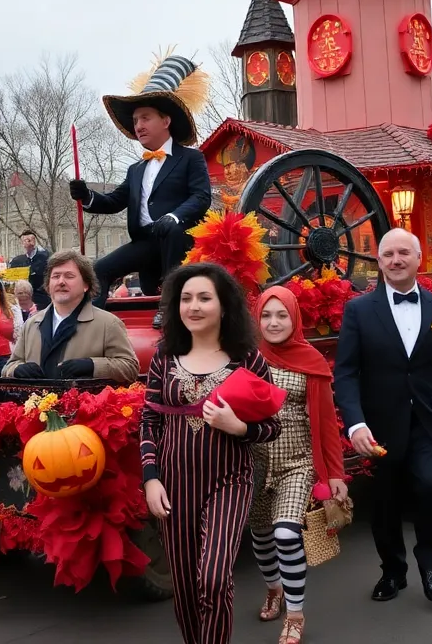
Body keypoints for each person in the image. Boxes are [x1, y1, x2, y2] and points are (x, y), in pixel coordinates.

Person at [140, 262, 280, 644]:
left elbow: (273, 425)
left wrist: (240, 428)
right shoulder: (163, 360)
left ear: (223, 306)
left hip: (229, 481)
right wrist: (151, 480)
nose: (194, 307)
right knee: (185, 589)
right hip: (173, 485)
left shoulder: (247, 360)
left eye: (204, 298)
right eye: (186, 299)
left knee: (214, 579)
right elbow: (149, 421)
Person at [332, 228, 432, 604]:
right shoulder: (358, 310)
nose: (396, 260)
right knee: (385, 501)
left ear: (419, 258)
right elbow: (346, 372)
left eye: (404, 252)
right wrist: (356, 423)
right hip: (380, 424)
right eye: (388, 254)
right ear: (379, 261)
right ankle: (392, 572)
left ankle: (431, 565)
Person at [69, 54, 213, 325]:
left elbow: (201, 197)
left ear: (166, 121)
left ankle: (169, 309)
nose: (138, 126)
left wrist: (174, 217)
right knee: (100, 269)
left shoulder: (190, 158)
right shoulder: (136, 168)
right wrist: (86, 195)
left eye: (145, 118)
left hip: (180, 239)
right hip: (146, 242)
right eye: (135, 121)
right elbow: (114, 201)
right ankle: (90, 323)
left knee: (170, 229)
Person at [250, 286, 347, 644]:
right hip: (255, 464)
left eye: (282, 315)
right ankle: (273, 589)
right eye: (266, 315)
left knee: (286, 535)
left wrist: (335, 474)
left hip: (297, 464)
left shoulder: (311, 362)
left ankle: (294, 614)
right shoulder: (246, 357)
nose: (274, 323)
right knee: (260, 535)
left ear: (295, 318)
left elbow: (325, 424)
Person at [1, 250, 139, 383]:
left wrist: (92, 365)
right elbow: (9, 367)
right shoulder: (31, 324)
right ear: (48, 285)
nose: (61, 281)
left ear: (86, 285)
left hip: (81, 405)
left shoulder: (108, 324)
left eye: (69, 276)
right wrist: (17, 369)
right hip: (37, 405)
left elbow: (130, 367)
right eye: (55, 276)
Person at [9, 229, 51, 309]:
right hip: (22, 300)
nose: (27, 243)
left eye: (30, 240)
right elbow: (12, 282)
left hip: (41, 299)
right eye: (24, 241)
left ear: (35, 241)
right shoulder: (17, 261)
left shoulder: (45, 258)